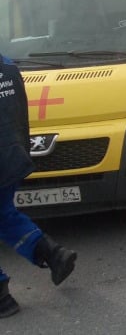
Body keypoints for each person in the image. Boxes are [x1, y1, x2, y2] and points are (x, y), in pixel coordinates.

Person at [0, 53, 78, 318]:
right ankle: (52, 254)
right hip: (11, 156)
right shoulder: (7, 65)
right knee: (4, 215)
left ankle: (1, 298)